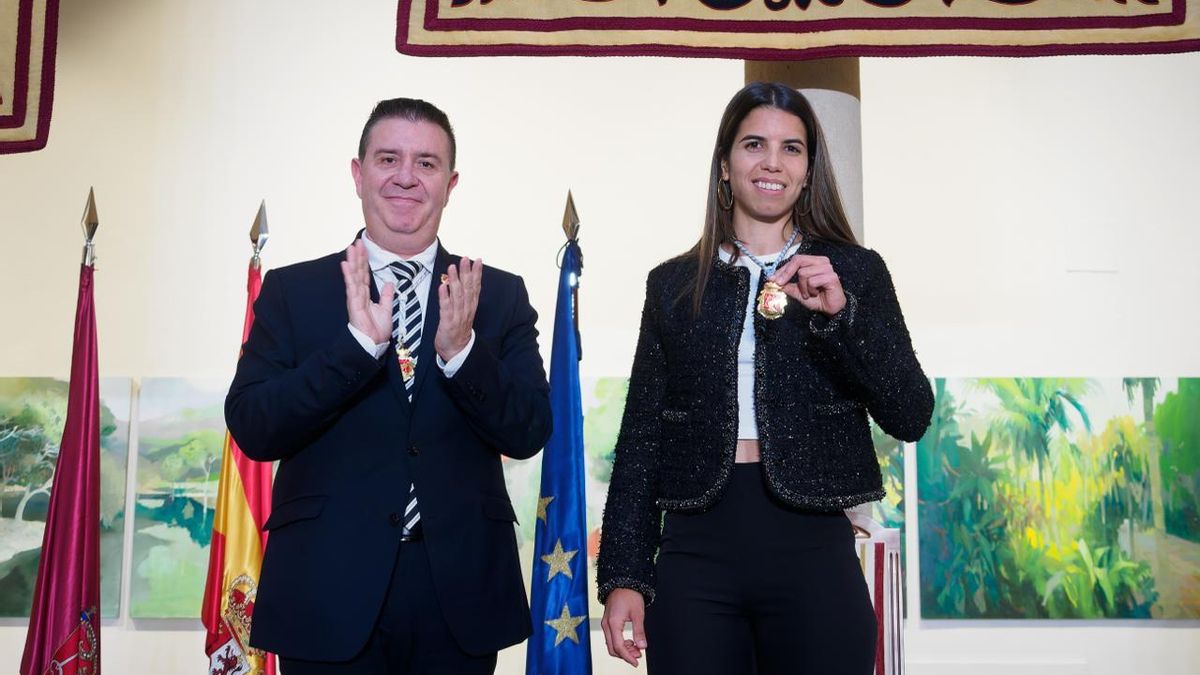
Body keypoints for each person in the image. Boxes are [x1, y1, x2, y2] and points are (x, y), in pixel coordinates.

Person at [596, 82, 934, 675]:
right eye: (754, 144)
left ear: (808, 170)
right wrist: (625, 575)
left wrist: (842, 315)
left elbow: (911, 413)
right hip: (696, 551)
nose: (772, 162)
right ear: (725, 165)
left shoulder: (854, 270)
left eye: (792, 149)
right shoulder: (672, 284)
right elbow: (642, 438)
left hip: (814, 546)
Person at [225, 97, 552, 674]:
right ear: (358, 174)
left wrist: (462, 353)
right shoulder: (292, 292)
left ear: (450, 183)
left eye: (426, 163)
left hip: (459, 597)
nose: (406, 176)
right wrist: (356, 350)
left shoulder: (497, 296)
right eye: (388, 159)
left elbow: (529, 430)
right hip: (325, 591)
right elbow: (253, 426)